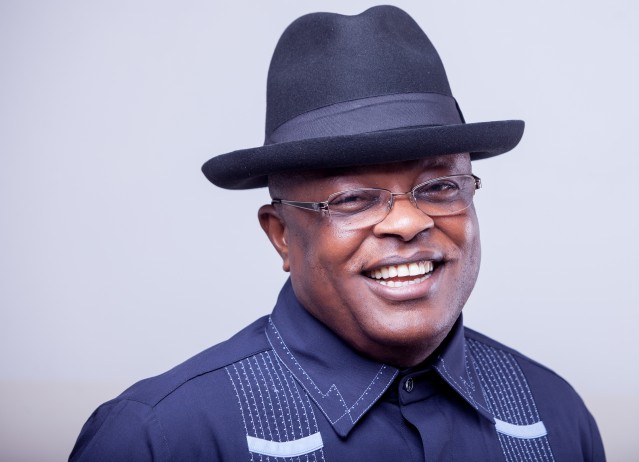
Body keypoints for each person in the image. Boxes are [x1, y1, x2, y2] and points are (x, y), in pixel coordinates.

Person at [70, 5, 605, 461]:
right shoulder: (162, 438)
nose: (408, 222)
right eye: (352, 199)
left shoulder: (554, 417)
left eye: (441, 186)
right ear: (281, 234)